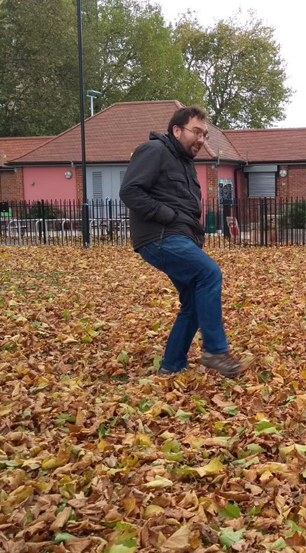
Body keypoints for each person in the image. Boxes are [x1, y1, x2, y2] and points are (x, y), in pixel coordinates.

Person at [120, 106, 245, 377]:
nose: (201, 139)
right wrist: (167, 215)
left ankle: (171, 366)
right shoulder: (154, 151)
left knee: (194, 301)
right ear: (177, 130)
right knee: (209, 273)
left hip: (180, 237)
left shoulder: (185, 162)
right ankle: (215, 351)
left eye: (205, 135)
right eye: (196, 132)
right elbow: (130, 191)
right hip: (160, 236)